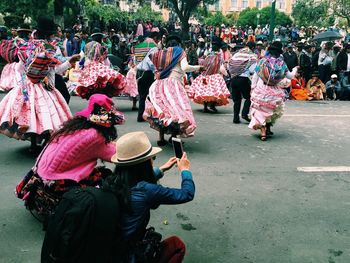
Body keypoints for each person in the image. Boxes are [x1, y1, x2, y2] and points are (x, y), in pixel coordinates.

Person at [109, 131, 195, 263]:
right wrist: (185, 170)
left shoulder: (113, 180)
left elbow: (135, 181)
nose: (152, 161)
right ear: (144, 163)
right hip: (129, 254)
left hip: (112, 249)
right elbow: (187, 194)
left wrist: (162, 169)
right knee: (177, 245)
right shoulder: (147, 191)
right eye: (152, 158)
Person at [0, 17, 78, 152]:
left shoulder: (25, 46)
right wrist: (69, 62)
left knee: (30, 114)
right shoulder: (50, 49)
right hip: (44, 86)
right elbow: (55, 70)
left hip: (26, 86)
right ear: (49, 34)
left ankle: (33, 144)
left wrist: (24, 80)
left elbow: (19, 68)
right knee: (46, 114)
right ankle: (44, 142)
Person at [143, 35, 201, 145]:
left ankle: (161, 138)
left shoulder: (160, 54)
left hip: (158, 85)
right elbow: (185, 67)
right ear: (178, 44)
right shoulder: (179, 51)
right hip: (173, 84)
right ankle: (174, 137)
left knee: (162, 111)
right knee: (177, 111)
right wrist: (198, 67)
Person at [248, 41, 298, 141]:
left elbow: (256, 76)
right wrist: (295, 69)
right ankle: (268, 129)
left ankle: (263, 132)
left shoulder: (262, 62)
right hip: (274, 91)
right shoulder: (281, 64)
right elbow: (290, 76)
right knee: (271, 111)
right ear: (279, 53)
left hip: (262, 89)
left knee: (260, 111)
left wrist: (253, 88)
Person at [188, 41, 230, 113]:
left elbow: (203, 64)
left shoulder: (208, 55)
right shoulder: (219, 56)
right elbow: (221, 66)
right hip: (214, 76)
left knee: (205, 92)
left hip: (206, 75)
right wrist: (226, 74)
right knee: (215, 92)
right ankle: (212, 105)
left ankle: (206, 107)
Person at [229, 42, 258, 124]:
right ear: (253, 47)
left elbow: (229, 64)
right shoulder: (251, 55)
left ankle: (235, 118)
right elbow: (253, 70)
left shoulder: (236, 54)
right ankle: (244, 114)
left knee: (237, 100)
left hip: (233, 78)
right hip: (243, 79)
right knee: (249, 97)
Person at [135, 32, 160, 122]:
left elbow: (136, 59)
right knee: (151, 95)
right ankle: (148, 115)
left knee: (142, 95)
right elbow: (151, 61)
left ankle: (141, 116)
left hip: (140, 72)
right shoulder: (153, 47)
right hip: (149, 73)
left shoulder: (141, 46)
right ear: (155, 38)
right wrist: (156, 70)